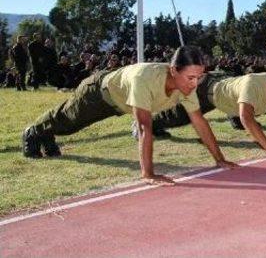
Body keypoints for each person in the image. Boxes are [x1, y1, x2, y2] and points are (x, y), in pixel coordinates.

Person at [22, 46, 236, 184]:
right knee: (67, 122)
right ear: (173, 70)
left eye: (199, 77)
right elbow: (144, 127)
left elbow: (199, 121)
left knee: (66, 126)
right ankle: (32, 133)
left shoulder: (187, 88)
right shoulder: (146, 78)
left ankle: (46, 136)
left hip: (119, 101)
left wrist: (220, 160)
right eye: (190, 77)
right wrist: (149, 173)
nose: (195, 83)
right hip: (99, 93)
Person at [148, 71, 266, 156]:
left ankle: (232, 115)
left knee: (242, 114)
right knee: (178, 117)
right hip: (208, 92)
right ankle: (147, 123)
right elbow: (247, 118)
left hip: (231, 92)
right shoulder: (253, 84)